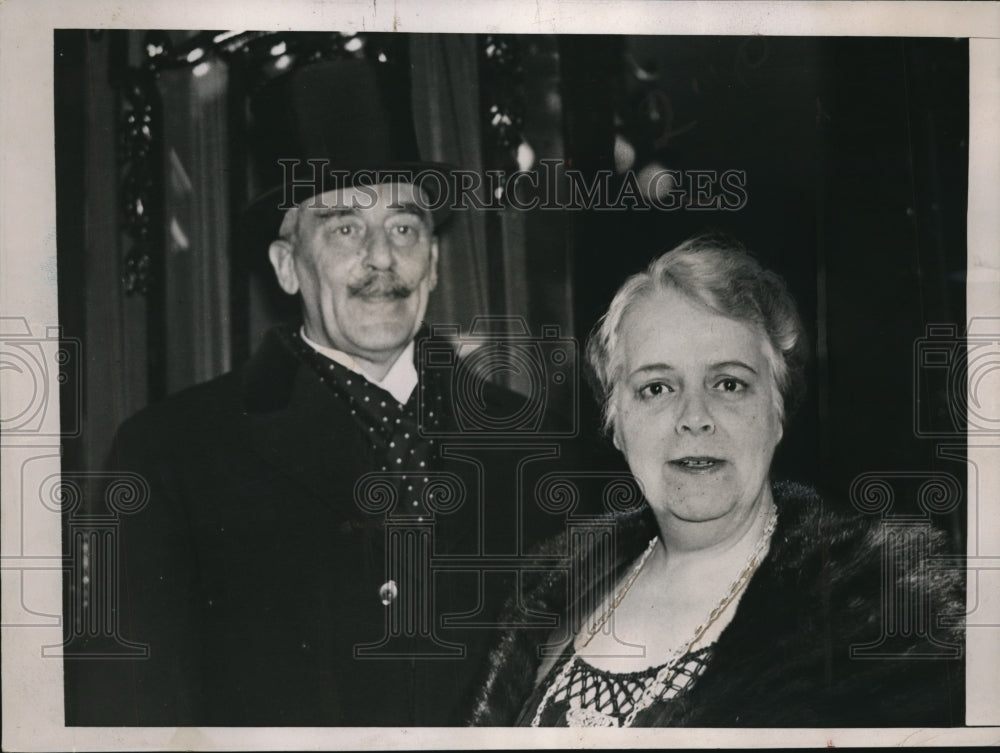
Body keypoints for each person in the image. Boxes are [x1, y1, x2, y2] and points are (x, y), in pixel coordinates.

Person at [64, 59, 601, 726]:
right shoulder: (170, 454)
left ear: (433, 262)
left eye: (404, 226)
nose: (382, 257)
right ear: (288, 266)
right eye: (345, 226)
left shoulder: (540, 449)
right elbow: (125, 720)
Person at [469, 234, 965, 727]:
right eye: (656, 387)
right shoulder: (554, 588)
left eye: (729, 383)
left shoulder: (880, 614)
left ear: (777, 413)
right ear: (616, 424)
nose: (694, 417)